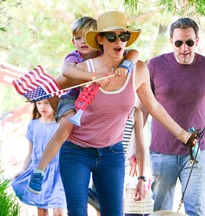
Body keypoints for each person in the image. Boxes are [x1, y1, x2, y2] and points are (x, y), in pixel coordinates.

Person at [31, 11, 197, 216]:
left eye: (123, 36)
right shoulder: (84, 70)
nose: (118, 41)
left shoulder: (137, 69)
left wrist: (184, 136)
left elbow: (154, 107)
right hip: (76, 151)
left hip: (112, 153)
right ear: (100, 39)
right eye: (112, 36)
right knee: (77, 213)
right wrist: (54, 106)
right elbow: (50, 88)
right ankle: (39, 172)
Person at [27, 15, 139, 199]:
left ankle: (96, 191)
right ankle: (39, 170)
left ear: (96, 40)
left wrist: (127, 65)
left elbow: (134, 53)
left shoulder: (101, 54)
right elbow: (67, 71)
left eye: (86, 37)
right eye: (78, 38)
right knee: (65, 128)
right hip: (71, 98)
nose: (82, 42)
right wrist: (92, 76)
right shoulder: (75, 57)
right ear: (73, 41)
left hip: (91, 104)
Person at [143, 17, 205, 216]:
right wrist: (135, 146)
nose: (184, 48)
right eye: (179, 43)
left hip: (196, 153)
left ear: (197, 41)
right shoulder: (154, 66)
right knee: (160, 211)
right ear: (171, 42)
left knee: (196, 211)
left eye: (189, 42)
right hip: (161, 152)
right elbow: (143, 106)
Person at [87, 106, 148, 215]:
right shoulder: (106, 106)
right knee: (101, 210)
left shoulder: (135, 113)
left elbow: (141, 148)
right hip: (99, 164)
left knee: (117, 210)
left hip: (119, 168)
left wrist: (141, 178)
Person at [11, 99, 66, 216]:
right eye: (39, 103)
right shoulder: (33, 125)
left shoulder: (61, 124)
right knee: (41, 211)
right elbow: (30, 153)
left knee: (59, 211)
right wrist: (23, 170)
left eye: (47, 103)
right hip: (38, 173)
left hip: (58, 173)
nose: (43, 107)